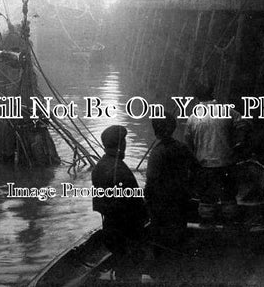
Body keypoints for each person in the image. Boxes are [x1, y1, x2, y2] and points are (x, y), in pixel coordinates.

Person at [184, 84, 249, 221]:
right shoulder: (227, 111)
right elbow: (243, 124)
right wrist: (239, 143)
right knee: (229, 199)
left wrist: (192, 167)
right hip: (226, 163)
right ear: (213, 94)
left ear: (197, 98)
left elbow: (188, 146)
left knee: (207, 200)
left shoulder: (192, 118)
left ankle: (207, 227)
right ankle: (229, 227)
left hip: (204, 165)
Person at [91, 125, 147, 280]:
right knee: (131, 272)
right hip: (126, 233)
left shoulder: (98, 168)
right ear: (121, 144)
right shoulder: (122, 171)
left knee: (121, 266)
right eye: (124, 141)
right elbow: (138, 208)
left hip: (109, 229)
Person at [145, 114, 200, 252]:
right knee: (179, 229)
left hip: (161, 202)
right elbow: (196, 168)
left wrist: (147, 201)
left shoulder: (156, 153)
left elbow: (151, 181)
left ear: (156, 131)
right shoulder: (182, 147)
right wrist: (189, 187)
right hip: (180, 199)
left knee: (160, 235)